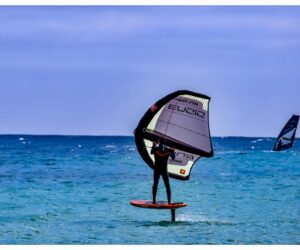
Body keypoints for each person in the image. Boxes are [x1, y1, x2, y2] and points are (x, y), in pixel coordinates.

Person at [150, 137, 175, 204]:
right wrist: (173, 151)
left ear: (158, 141)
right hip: (164, 170)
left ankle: (154, 201)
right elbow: (173, 158)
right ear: (165, 142)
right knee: (167, 186)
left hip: (157, 169)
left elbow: (151, 152)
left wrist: (153, 145)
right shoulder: (168, 150)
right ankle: (169, 202)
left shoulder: (155, 149)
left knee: (155, 185)